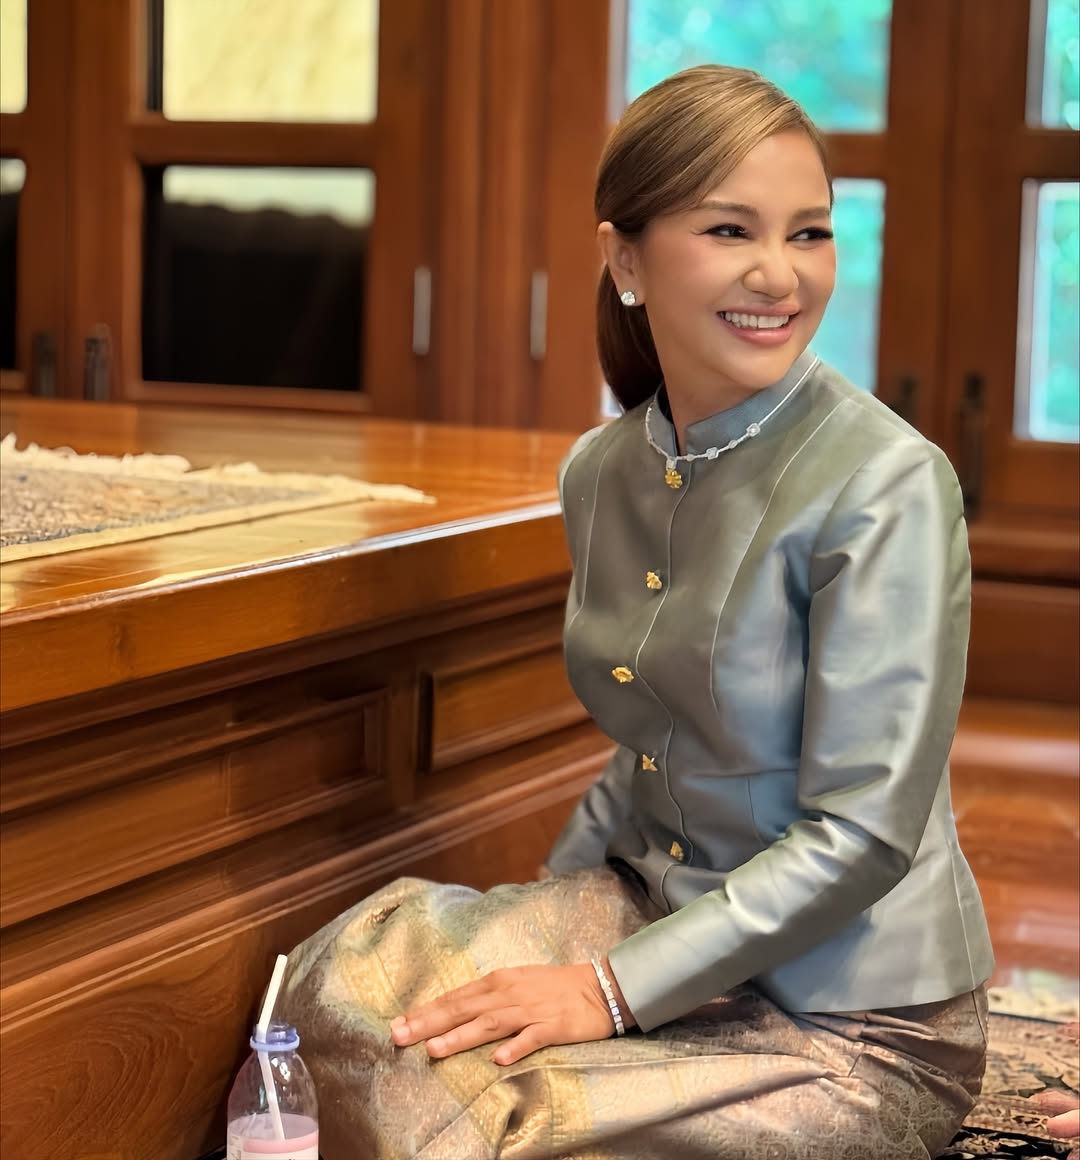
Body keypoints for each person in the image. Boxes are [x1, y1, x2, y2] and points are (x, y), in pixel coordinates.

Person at [280, 64, 995, 1159]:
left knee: (488, 1120)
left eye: (809, 233)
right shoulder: (602, 471)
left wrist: (603, 990)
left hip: (855, 1023)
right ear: (626, 259)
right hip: (661, 917)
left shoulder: (889, 482)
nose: (780, 273)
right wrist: (544, 918)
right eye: (729, 229)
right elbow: (653, 744)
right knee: (339, 989)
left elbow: (862, 835)